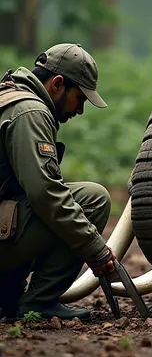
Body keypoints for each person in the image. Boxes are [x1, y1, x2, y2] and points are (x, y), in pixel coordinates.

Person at [0, 43, 115, 321]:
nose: (81, 110)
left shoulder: (8, 98)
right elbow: (45, 193)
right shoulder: (30, 112)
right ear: (58, 84)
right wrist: (96, 249)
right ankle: (39, 302)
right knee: (93, 198)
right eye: (80, 98)